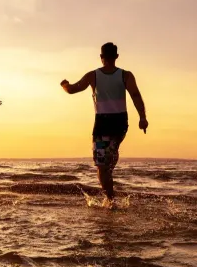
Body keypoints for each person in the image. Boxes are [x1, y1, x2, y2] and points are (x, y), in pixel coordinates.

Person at [60, 43, 148, 202]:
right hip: (120, 124)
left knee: (101, 166)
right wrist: (142, 117)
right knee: (107, 162)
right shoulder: (126, 75)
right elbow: (135, 95)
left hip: (102, 125)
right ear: (116, 57)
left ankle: (110, 200)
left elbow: (73, 89)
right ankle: (111, 193)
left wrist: (64, 84)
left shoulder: (93, 75)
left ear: (101, 58)